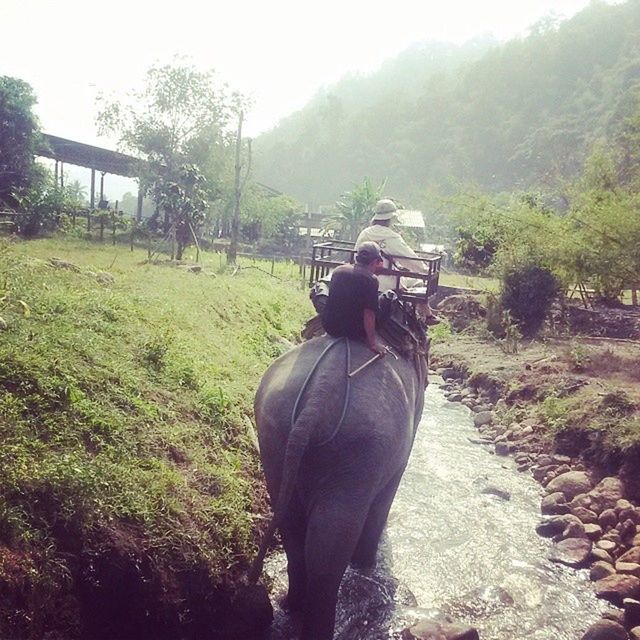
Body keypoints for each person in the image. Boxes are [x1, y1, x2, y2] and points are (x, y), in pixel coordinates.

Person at [355, 198, 440, 325]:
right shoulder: (391, 237)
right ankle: (427, 316)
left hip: (359, 277)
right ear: (391, 219)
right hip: (384, 282)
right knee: (417, 282)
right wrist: (425, 270)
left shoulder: (364, 233)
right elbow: (409, 259)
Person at [321, 241, 386, 355]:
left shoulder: (338, 271)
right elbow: (369, 314)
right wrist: (373, 344)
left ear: (356, 258)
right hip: (355, 332)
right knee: (389, 298)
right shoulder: (371, 279)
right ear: (376, 261)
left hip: (331, 328)